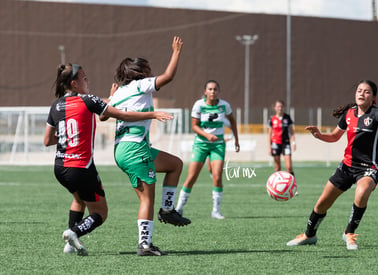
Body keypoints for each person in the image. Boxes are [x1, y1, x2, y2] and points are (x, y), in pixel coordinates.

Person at [44, 63, 173, 256]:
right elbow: (121, 115)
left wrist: (68, 139)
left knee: (78, 200)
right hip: (81, 166)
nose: (88, 80)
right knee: (101, 213)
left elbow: (47, 140)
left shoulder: (56, 105)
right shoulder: (88, 100)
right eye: (84, 77)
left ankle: (70, 245)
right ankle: (74, 232)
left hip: (60, 167)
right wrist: (153, 114)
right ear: (74, 83)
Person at [286, 80, 378, 250]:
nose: (362, 93)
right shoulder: (349, 113)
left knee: (361, 193)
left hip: (369, 168)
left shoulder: (377, 114)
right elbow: (334, 136)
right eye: (359, 90)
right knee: (322, 203)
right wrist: (319, 135)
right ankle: (309, 235)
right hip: (347, 166)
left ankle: (349, 233)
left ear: (373, 97)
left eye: (367, 92)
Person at [102, 36, 190, 256]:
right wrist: (176, 52)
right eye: (149, 69)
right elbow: (168, 76)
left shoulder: (120, 92)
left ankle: (168, 210)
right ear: (140, 72)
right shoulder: (140, 85)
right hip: (134, 149)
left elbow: (103, 117)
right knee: (146, 199)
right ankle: (144, 245)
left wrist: (111, 97)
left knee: (175, 164)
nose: (152, 73)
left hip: (125, 148)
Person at [175, 80, 240, 219]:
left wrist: (236, 140)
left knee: (217, 176)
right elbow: (194, 126)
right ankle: (179, 208)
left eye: (215, 89)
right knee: (191, 177)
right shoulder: (199, 105)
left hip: (218, 145)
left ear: (219, 91)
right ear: (205, 91)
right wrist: (207, 135)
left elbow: (233, 122)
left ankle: (215, 211)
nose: (213, 91)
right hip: (201, 145)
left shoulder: (224, 105)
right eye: (210, 89)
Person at [268, 100, 296, 175]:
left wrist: (293, 142)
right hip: (275, 144)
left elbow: (291, 132)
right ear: (274, 108)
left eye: (281, 106)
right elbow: (269, 134)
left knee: (289, 167)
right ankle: (277, 186)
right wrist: (269, 147)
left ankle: (292, 184)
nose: (280, 108)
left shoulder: (287, 117)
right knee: (277, 168)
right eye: (278, 106)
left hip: (286, 143)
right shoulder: (272, 119)